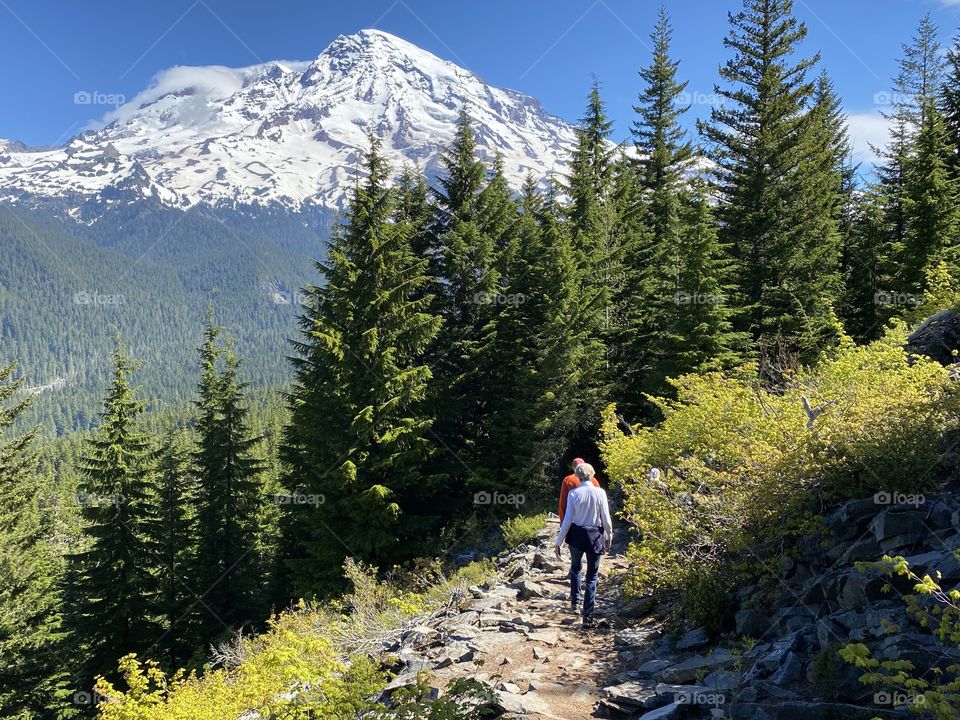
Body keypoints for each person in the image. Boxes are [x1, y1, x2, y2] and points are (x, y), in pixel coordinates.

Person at [554, 462, 613, 627]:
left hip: (576, 535)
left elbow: (567, 520)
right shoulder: (600, 493)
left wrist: (558, 542)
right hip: (595, 534)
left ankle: (575, 603)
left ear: (578, 476)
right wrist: (609, 535)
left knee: (575, 568)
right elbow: (606, 519)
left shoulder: (573, 494)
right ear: (592, 475)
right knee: (592, 576)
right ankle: (588, 616)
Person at [558, 457, 600, 523]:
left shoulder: (568, 480)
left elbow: (563, 503)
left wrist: (562, 522)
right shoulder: (594, 480)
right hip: (593, 523)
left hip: (575, 522)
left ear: (573, 467)